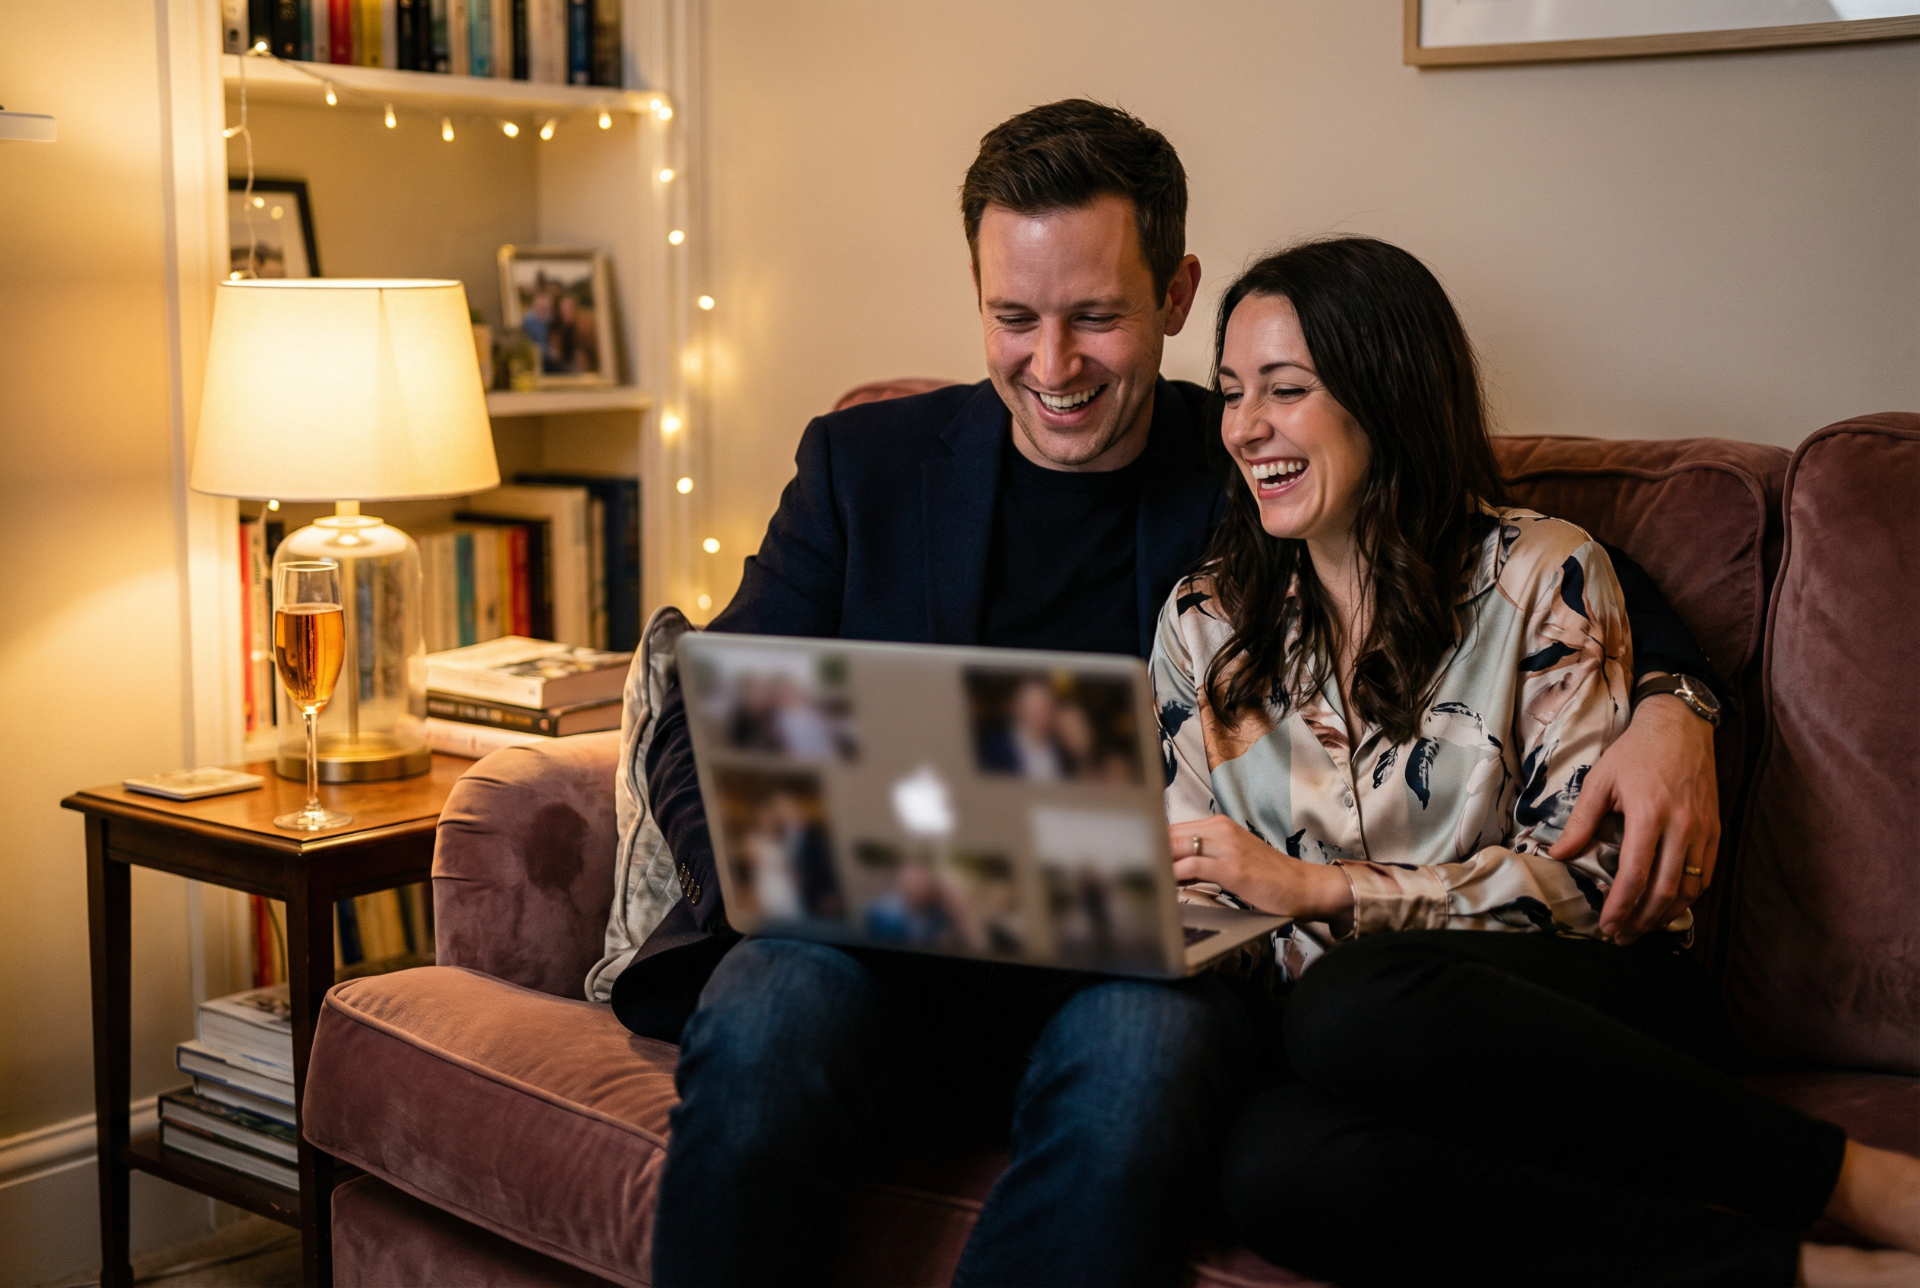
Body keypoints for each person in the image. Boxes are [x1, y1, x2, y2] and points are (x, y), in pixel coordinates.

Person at [622, 100, 1726, 1286]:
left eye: (1097, 316)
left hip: (1139, 969)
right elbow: (701, 705)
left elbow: (1485, 541)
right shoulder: (866, 466)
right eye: (1013, 316)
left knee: (1144, 1056)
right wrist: (766, 871)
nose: (1051, 367)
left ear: (1176, 294)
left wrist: (1679, 696)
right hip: (871, 944)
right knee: (766, 1002)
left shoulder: (1262, 452)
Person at [1153, 236, 1920, 1287]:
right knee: (1269, 1168)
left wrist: (1316, 890)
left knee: (1352, 1002)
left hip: (1578, 1007)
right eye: (1233, 391)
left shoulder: (1541, 576)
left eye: (1286, 389)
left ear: (1389, 394)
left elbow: (1592, 890)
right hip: (1343, 1040)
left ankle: (1849, 1180)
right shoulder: (1207, 623)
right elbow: (1207, 889)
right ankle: (1801, 1273)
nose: (1245, 427)